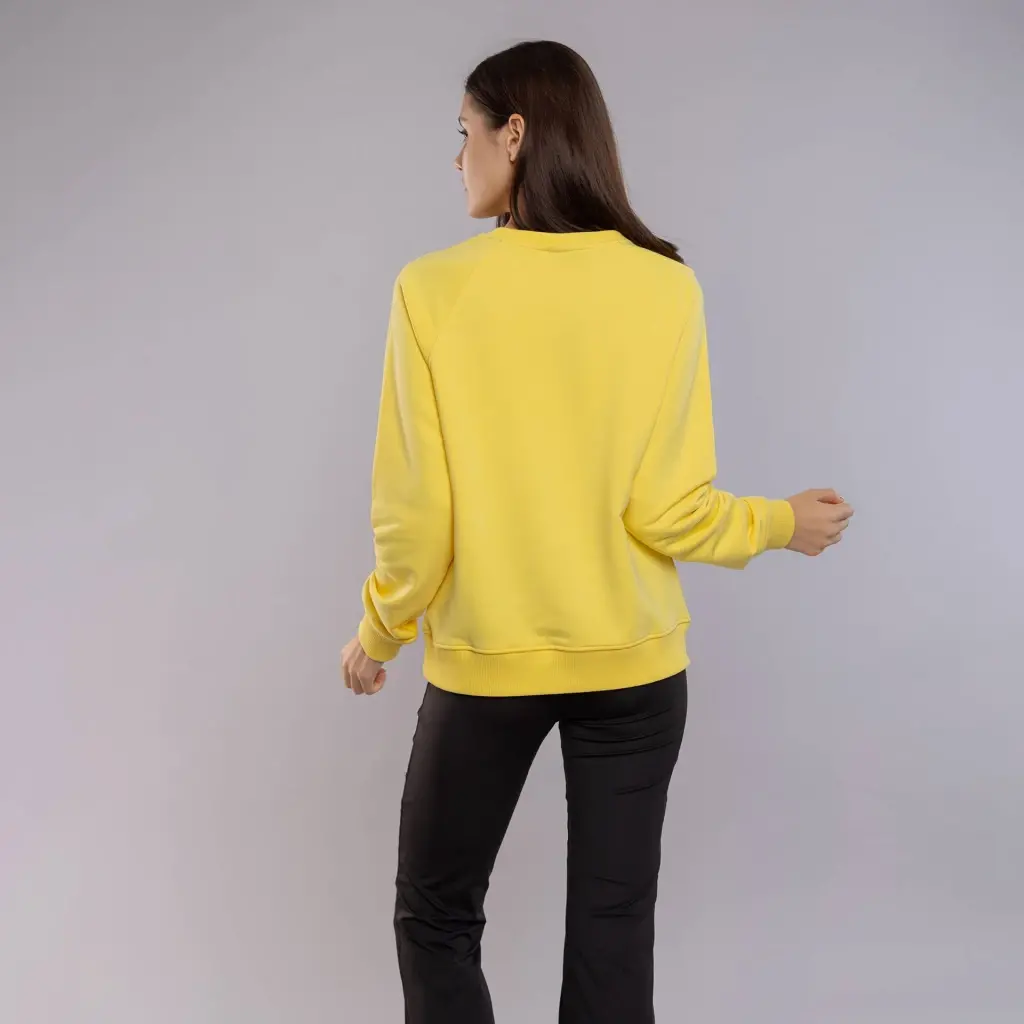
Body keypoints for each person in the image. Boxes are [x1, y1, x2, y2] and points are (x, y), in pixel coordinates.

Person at [340, 38, 853, 1024]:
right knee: (615, 929)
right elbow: (666, 510)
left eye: (463, 131)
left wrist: (379, 631)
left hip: (489, 666)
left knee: (437, 918)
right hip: (636, 668)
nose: (456, 156)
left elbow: (417, 518)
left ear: (514, 133)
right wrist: (779, 523)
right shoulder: (664, 286)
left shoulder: (432, 290)